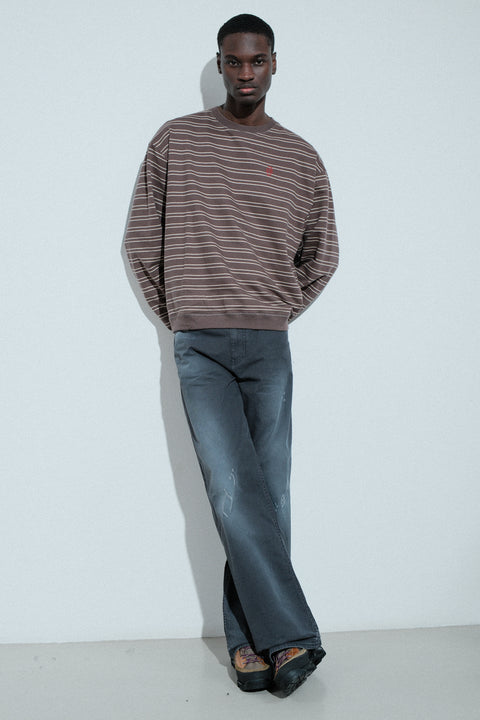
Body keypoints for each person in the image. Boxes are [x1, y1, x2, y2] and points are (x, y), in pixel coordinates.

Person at [124, 13, 339, 696]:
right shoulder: (177, 140)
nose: (246, 73)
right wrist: (183, 315)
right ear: (219, 64)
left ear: (275, 63)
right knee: (229, 488)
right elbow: (140, 240)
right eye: (234, 61)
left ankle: (250, 643)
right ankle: (293, 637)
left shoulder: (300, 157)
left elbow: (322, 254)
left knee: (268, 494)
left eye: (257, 60)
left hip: (269, 344)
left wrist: (275, 309)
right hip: (202, 347)